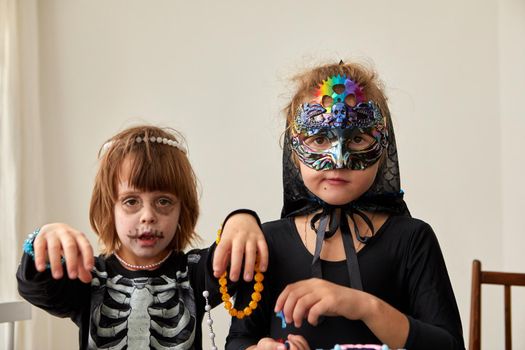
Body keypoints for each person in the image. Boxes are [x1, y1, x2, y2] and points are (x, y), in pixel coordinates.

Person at [225, 62, 465, 350]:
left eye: (358, 138)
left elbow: (449, 346)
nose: (338, 159)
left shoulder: (412, 239)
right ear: (293, 151)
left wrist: (363, 305)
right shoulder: (267, 243)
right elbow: (239, 341)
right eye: (319, 138)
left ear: (383, 145)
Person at [17, 125, 268, 350]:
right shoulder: (89, 275)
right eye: (130, 201)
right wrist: (42, 240)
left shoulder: (194, 273)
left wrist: (241, 218)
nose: (148, 216)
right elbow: (36, 287)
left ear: (184, 210)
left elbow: (234, 254)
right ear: (108, 208)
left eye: (163, 201)